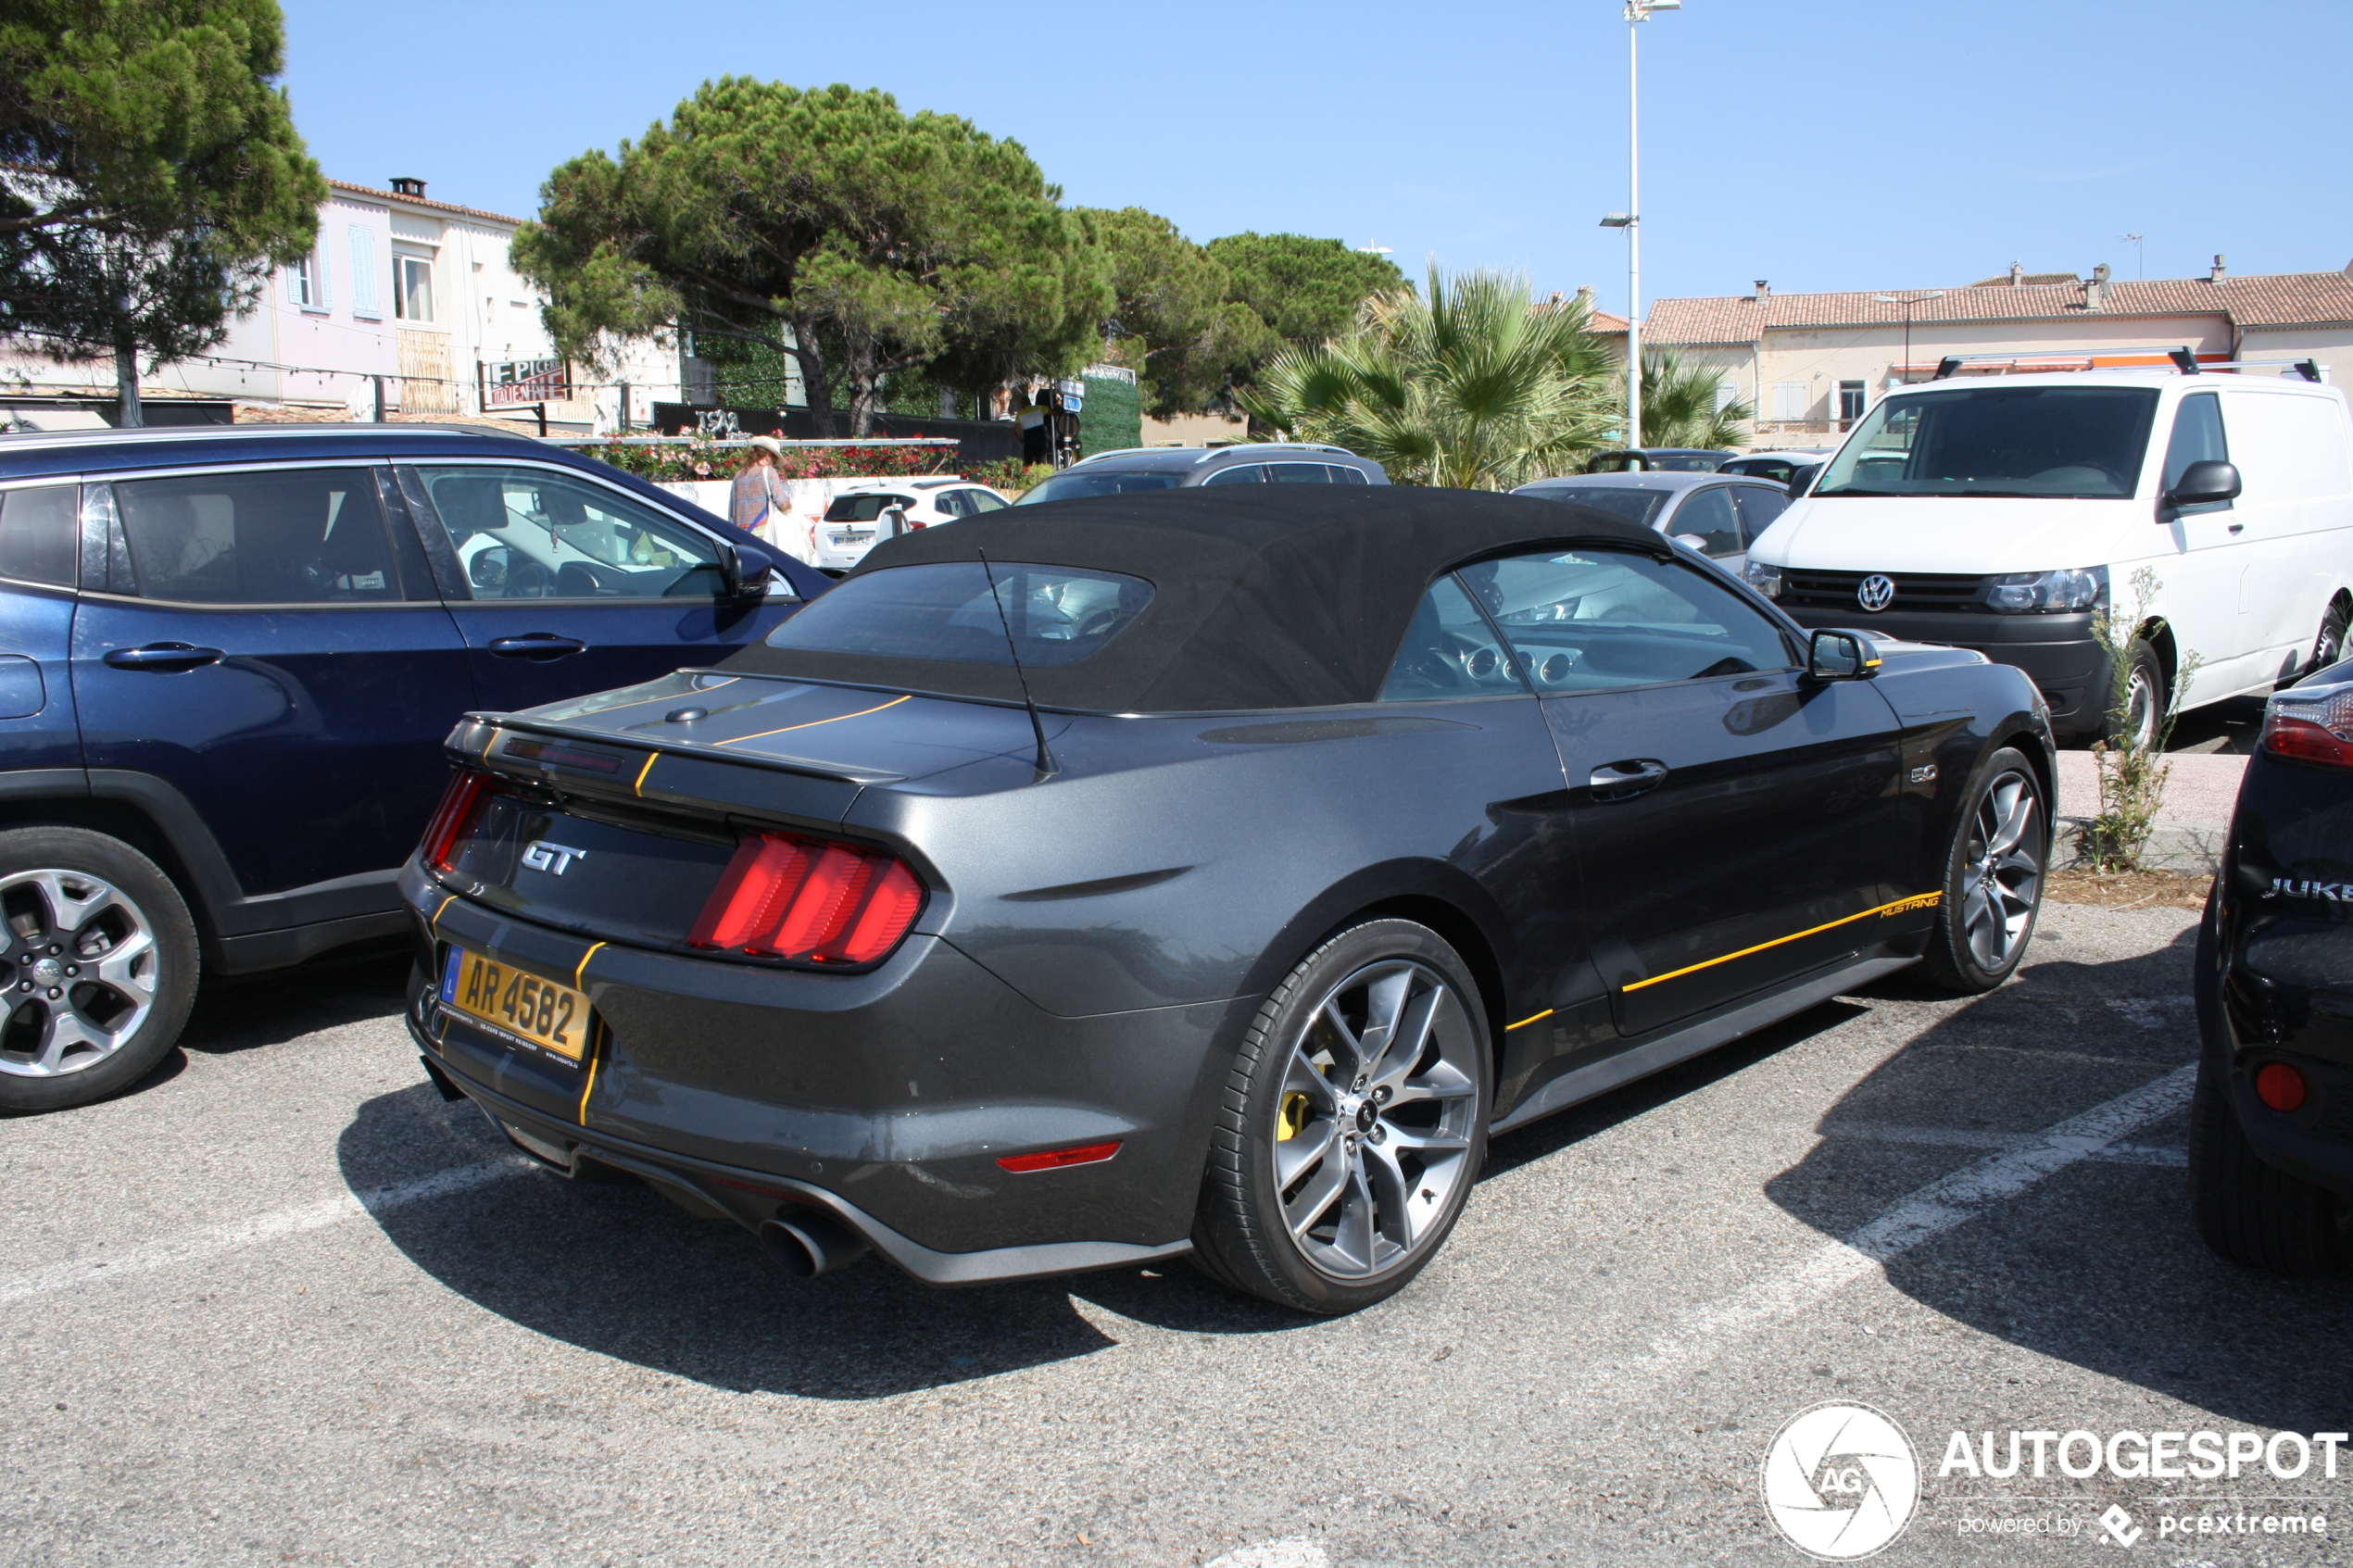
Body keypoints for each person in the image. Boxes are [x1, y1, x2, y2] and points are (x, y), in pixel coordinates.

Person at [730, 435, 790, 535]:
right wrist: (789, 505)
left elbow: (732, 510)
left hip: (741, 535)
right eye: (774, 460)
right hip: (764, 534)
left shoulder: (738, 475)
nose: (773, 464)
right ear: (767, 456)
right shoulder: (768, 471)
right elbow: (782, 503)